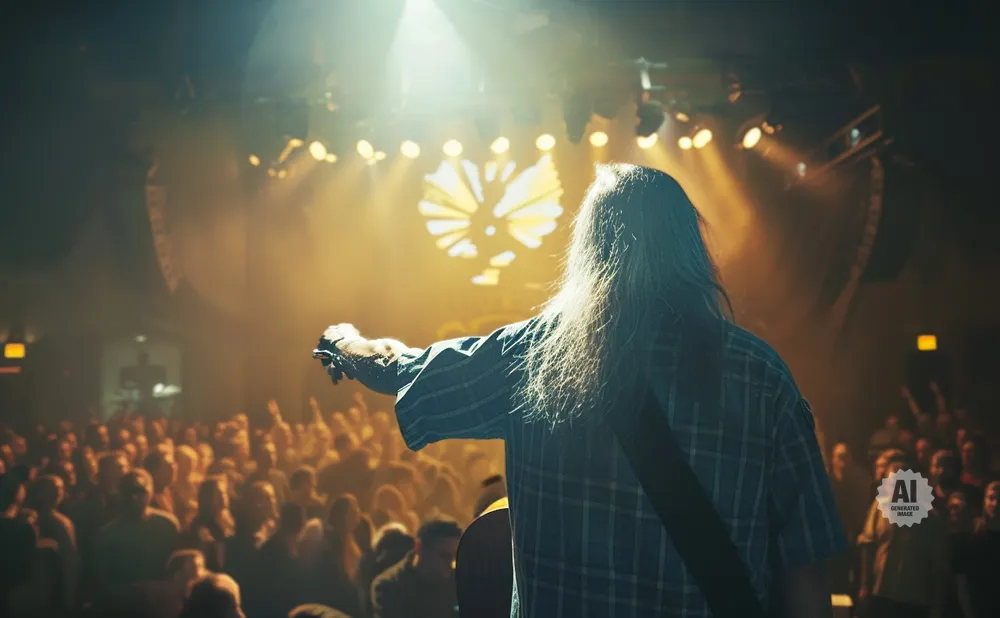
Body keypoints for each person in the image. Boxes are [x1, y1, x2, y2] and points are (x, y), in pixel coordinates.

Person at [315, 164, 845, 617]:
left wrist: (345, 342)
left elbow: (402, 369)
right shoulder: (761, 376)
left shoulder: (533, 357)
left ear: (588, 252)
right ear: (689, 250)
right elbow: (809, 563)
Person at [93, 469, 181, 594]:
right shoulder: (108, 534)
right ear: (121, 494)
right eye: (129, 492)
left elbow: (176, 568)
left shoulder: (168, 525)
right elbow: (104, 578)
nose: (134, 498)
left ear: (151, 492)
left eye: (140, 491)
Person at [370, 518, 461, 618]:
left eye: (455, 557)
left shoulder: (456, 581)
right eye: (445, 556)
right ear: (419, 548)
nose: (451, 564)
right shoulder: (390, 586)